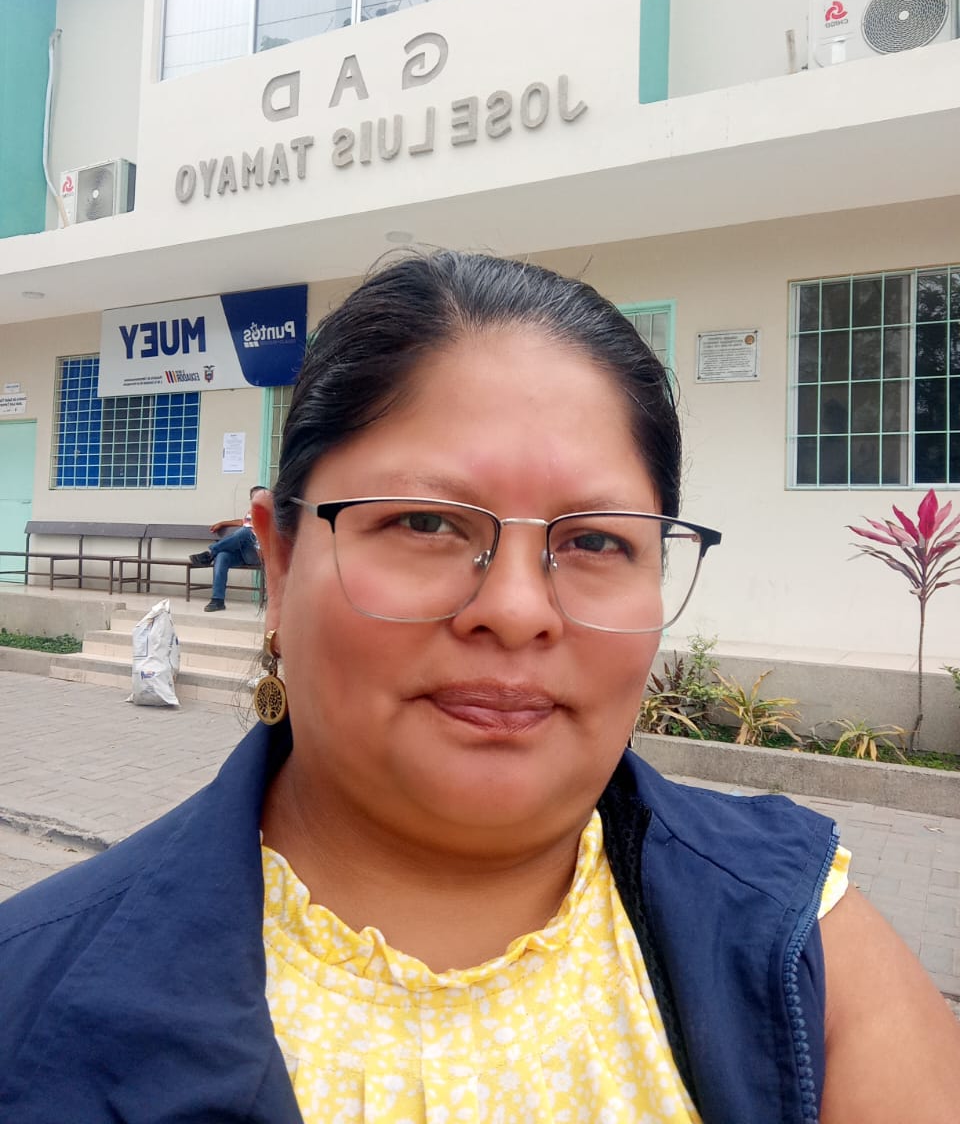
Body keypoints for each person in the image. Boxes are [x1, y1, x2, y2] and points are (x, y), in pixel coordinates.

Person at [1, 251, 958, 1123]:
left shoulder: (802, 951)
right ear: (279, 567)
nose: (516, 610)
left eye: (595, 540)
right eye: (425, 523)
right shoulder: (31, 1005)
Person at [190, 484, 268, 611]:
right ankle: (217, 600)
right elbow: (242, 522)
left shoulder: (272, 513)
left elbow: (248, 530)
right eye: (254, 498)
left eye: (261, 497)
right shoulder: (251, 513)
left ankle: (210, 553)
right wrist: (222, 523)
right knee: (222, 556)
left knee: (245, 532)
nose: (257, 500)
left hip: (258, 554)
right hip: (243, 553)